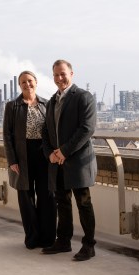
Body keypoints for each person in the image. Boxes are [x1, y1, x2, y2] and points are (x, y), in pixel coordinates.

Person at [41, 59, 98, 261]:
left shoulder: (83, 97)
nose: (59, 78)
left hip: (78, 162)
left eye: (62, 74)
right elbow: (45, 131)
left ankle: (89, 246)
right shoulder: (51, 102)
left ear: (71, 74)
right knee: (62, 202)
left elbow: (87, 129)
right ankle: (63, 241)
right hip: (57, 162)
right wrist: (50, 153)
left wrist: (63, 152)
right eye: (55, 75)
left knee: (84, 203)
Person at [3, 70, 57, 249]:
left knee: (46, 196)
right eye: (23, 82)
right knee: (26, 198)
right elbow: (7, 136)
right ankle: (32, 237)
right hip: (22, 155)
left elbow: (52, 131)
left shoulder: (46, 104)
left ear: (36, 82)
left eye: (30, 81)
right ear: (19, 85)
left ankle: (48, 238)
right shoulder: (12, 106)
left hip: (43, 154)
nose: (27, 84)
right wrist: (12, 160)